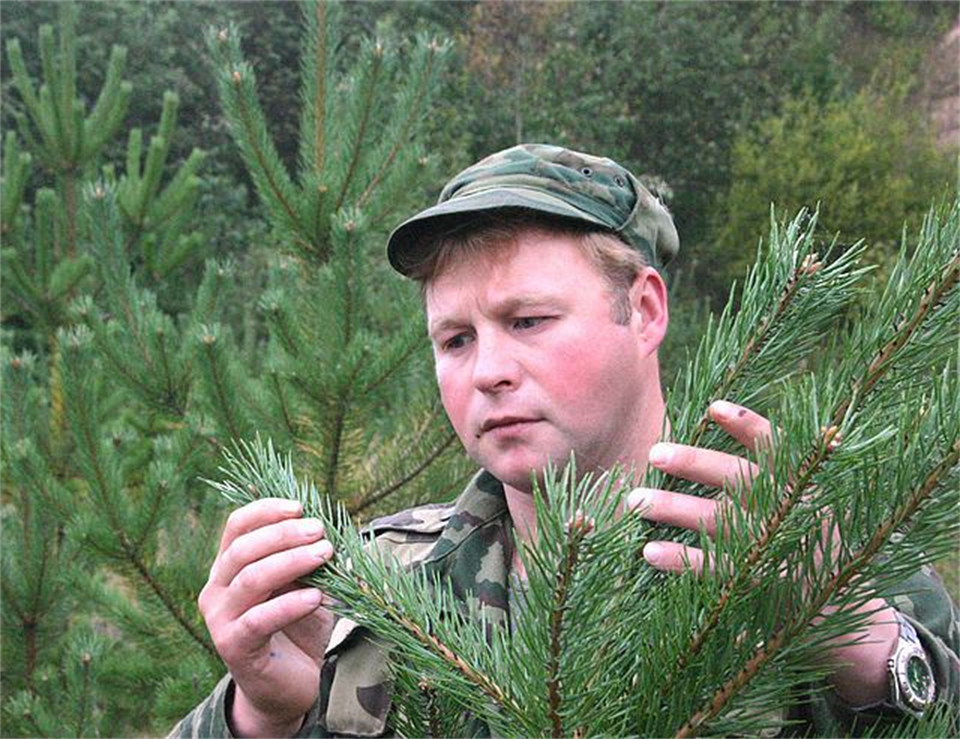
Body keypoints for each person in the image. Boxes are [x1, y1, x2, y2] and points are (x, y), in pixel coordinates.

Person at [170, 144, 959, 739]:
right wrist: (265, 715)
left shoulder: (823, 559)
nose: (489, 371)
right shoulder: (374, 590)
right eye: (454, 339)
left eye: (528, 321)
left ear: (644, 310)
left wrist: (867, 646)